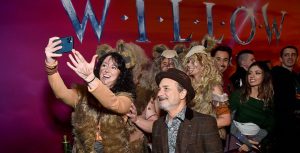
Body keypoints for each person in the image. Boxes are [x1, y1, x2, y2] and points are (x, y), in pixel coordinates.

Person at [45, 37, 136, 153]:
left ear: (121, 75)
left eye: (113, 67)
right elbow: (61, 93)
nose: (107, 70)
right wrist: (50, 62)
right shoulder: (82, 95)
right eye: (104, 65)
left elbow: (113, 103)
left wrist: (91, 79)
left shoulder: (125, 98)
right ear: (98, 69)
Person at [152, 68, 223, 153]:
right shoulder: (157, 125)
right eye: (159, 89)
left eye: (166, 88)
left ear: (182, 93)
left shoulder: (205, 123)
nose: (159, 94)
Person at [183, 45, 231, 142]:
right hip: (191, 138)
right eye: (188, 61)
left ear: (204, 63)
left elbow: (225, 119)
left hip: (209, 139)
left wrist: (199, 126)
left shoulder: (213, 88)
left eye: (193, 61)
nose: (189, 64)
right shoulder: (187, 86)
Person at [229, 61, 274, 153]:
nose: (251, 76)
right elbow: (229, 123)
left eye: (257, 73)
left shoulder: (269, 100)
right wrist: (245, 141)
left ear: (265, 76)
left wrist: (255, 140)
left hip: (257, 141)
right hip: (236, 139)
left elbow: (270, 126)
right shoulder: (238, 95)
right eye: (250, 73)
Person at [271, 45, 300, 153]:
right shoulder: (276, 74)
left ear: (297, 58)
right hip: (282, 125)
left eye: (293, 55)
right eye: (286, 55)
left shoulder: (296, 77)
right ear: (280, 58)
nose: (290, 57)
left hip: (295, 124)